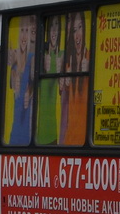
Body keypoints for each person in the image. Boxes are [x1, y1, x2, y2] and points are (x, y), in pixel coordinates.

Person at [59, 11, 90, 145]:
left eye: (80, 28)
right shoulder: (67, 63)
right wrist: (63, 86)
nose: (77, 35)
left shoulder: (90, 58)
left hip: (85, 140)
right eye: (74, 30)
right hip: (69, 140)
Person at [7, 15, 36, 144]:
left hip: (27, 132)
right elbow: (13, 87)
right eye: (22, 31)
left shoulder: (32, 58)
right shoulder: (14, 62)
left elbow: (34, 83)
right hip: (15, 130)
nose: (24, 36)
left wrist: (29, 92)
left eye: (27, 31)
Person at [36, 14, 64, 145]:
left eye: (56, 25)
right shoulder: (40, 56)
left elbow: (62, 90)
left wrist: (59, 74)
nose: (54, 30)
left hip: (54, 130)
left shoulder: (62, 55)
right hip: (38, 131)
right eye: (51, 26)